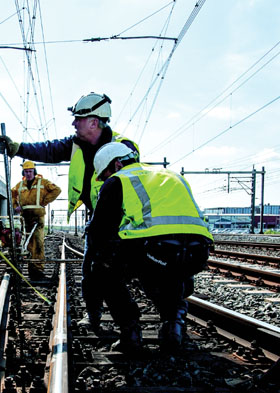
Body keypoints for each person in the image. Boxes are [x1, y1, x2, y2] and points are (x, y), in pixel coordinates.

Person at [0, 93, 138, 332]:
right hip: (97, 216)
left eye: (79, 119)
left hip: (123, 220)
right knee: (90, 270)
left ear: (94, 122)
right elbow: (48, 150)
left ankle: (145, 324)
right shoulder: (76, 144)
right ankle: (94, 316)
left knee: (115, 272)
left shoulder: (123, 147)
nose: (74, 124)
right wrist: (18, 148)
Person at [87, 143, 213, 353]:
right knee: (168, 272)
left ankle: (130, 332)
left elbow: (99, 233)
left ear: (117, 164)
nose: (104, 179)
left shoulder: (119, 180)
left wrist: (98, 257)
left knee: (102, 269)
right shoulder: (172, 175)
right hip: (197, 252)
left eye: (105, 173)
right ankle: (174, 327)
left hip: (156, 250)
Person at [11, 160, 61, 279]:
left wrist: (44, 201)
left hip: (38, 217)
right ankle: (31, 270)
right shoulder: (19, 185)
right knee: (28, 244)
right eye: (26, 171)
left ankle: (38, 271)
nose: (28, 174)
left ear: (34, 171)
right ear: (23, 172)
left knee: (38, 243)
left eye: (30, 171)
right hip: (25, 218)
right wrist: (15, 206)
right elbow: (12, 194)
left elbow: (57, 190)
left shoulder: (42, 182)